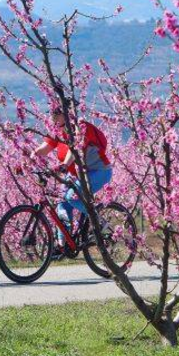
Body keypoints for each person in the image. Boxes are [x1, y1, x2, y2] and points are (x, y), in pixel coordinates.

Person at [34, 106, 113, 256]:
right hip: (77, 175)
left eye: (56, 113)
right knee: (62, 204)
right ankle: (62, 246)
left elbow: (74, 149)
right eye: (50, 113)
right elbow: (44, 149)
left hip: (99, 171)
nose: (52, 117)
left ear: (66, 113)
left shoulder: (80, 128)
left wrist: (65, 164)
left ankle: (98, 221)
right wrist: (30, 155)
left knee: (71, 197)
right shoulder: (57, 131)